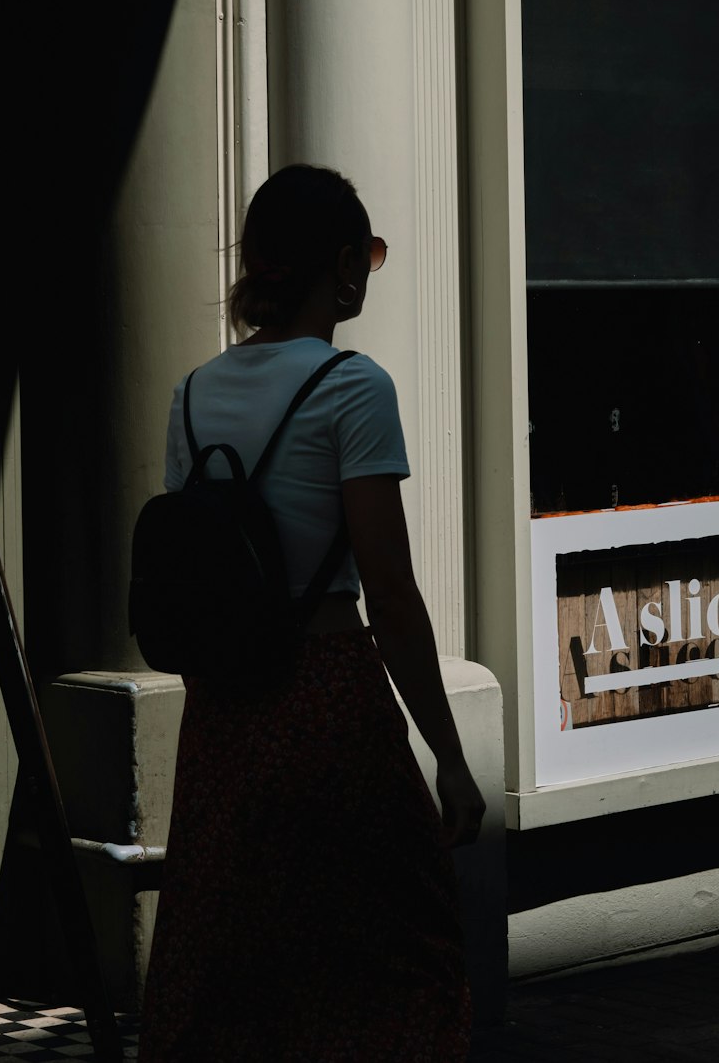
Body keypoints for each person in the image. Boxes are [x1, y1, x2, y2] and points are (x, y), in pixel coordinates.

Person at [137, 163, 485, 1063]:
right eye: (366, 251)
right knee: (400, 948)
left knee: (238, 965)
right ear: (340, 265)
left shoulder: (191, 393)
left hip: (223, 716)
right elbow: (392, 593)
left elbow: (196, 575)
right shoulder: (352, 387)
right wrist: (447, 754)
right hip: (327, 701)